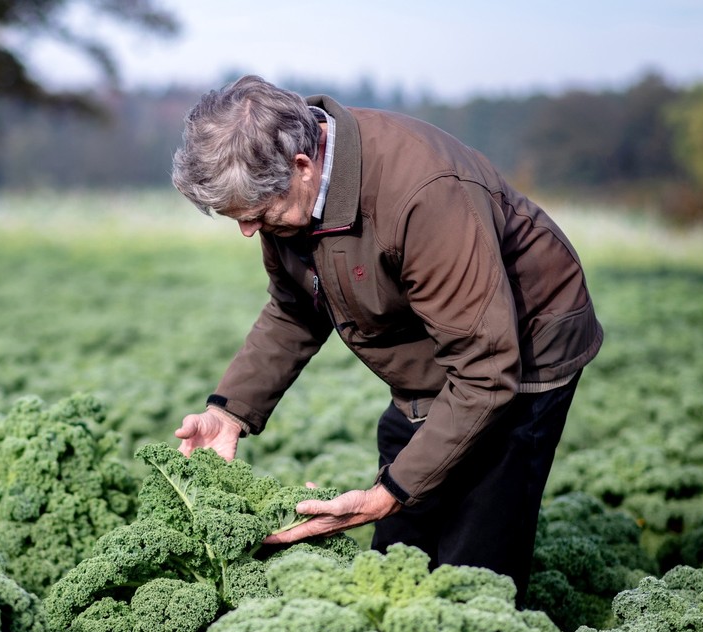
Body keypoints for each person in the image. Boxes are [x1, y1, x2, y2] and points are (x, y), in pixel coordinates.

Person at [170, 75, 602, 601]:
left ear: (302, 166)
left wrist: (388, 493)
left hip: (524, 344)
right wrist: (228, 413)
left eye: (255, 215)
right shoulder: (287, 199)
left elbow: (486, 370)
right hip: (436, 343)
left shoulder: (424, 193)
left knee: (473, 558)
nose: (247, 230)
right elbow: (295, 307)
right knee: (400, 555)